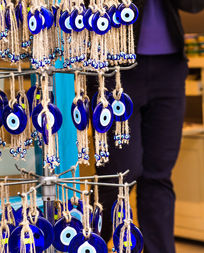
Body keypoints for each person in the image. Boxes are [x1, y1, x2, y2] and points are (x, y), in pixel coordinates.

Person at [87, 1, 204, 253]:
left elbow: (195, 5)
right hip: (116, 68)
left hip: (169, 67)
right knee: (118, 177)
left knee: (158, 176)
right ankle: (88, 244)